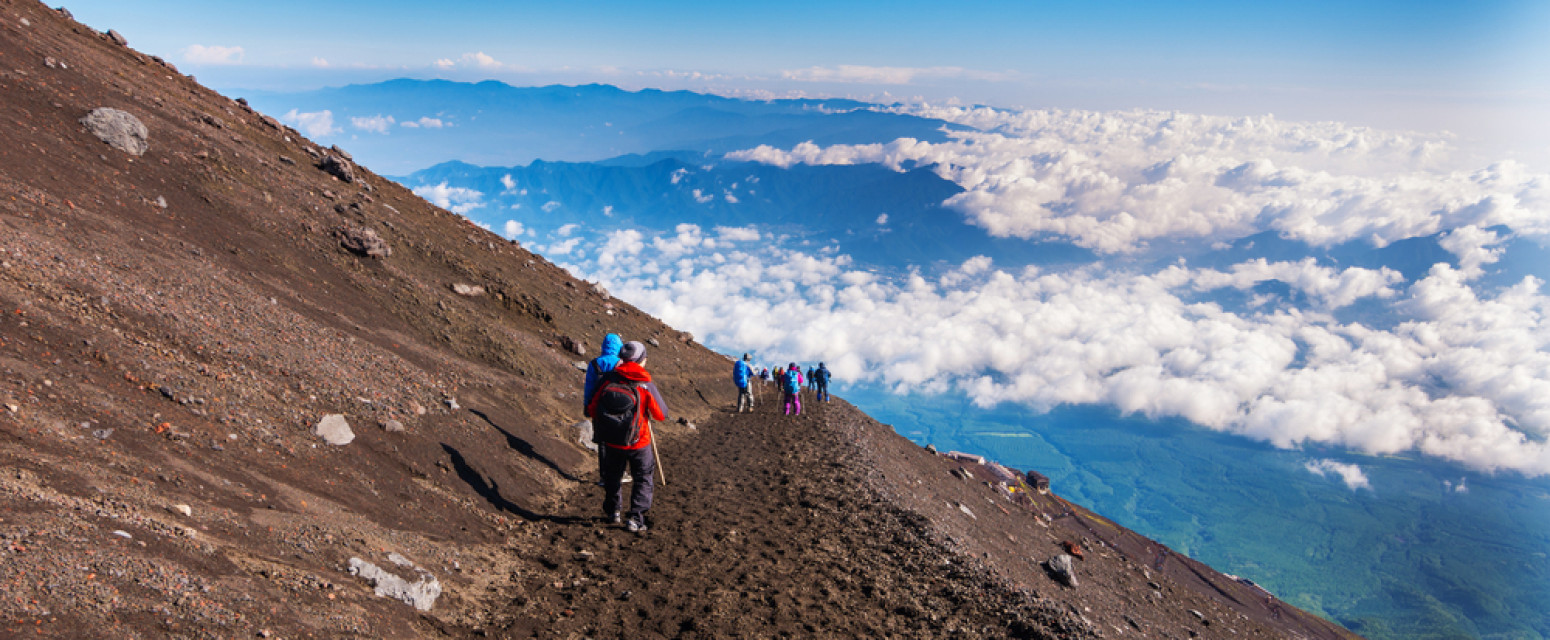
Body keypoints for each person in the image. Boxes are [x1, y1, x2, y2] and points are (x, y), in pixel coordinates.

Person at [589, 341, 667, 533]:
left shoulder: (608, 379)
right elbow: (661, 415)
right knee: (643, 478)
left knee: (612, 477)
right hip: (639, 441)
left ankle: (613, 511)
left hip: (612, 441)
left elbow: (592, 408)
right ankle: (635, 518)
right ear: (642, 360)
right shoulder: (645, 383)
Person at [582, 333, 623, 482]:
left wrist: (587, 405)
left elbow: (589, 387)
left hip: (598, 407)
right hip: (618, 407)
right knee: (618, 441)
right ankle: (618, 474)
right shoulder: (621, 364)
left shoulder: (594, 364)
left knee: (603, 443)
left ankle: (604, 476)